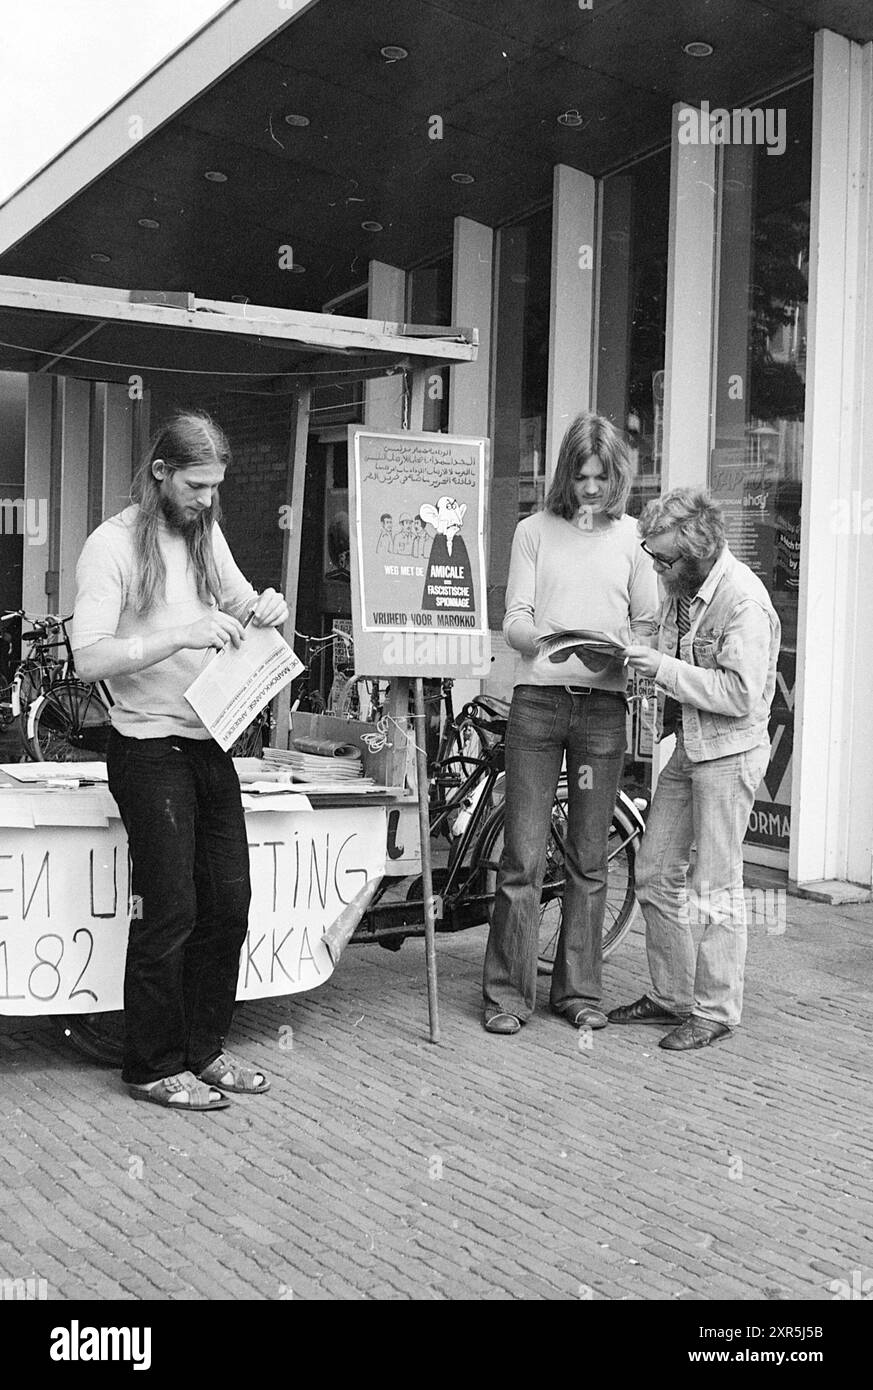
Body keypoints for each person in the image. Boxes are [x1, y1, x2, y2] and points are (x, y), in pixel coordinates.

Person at [71, 411, 289, 1110]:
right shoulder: (110, 545)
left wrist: (266, 608)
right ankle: (150, 1064)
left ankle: (204, 1051)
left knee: (228, 904)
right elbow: (88, 657)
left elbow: (238, 603)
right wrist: (179, 635)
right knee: (170, 910)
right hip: (145, 747)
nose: (206, 499)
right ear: (161, 472)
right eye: (197, 485)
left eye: (214, 487)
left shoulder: (204, 532)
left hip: (208, 740)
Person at [482, 411, 658, 1035]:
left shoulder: (635, 538)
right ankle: (507, 995)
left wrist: (622, 648)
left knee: (588, 856)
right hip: (539, 704)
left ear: (618, 477)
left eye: (602, 477)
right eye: (580, 476)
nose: (590, 489)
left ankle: (578, 992)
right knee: (522, 854)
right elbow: (514, 620)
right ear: (565, 474)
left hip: (603, 712)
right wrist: (548, 640)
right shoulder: (533, 530)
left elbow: (646, 625)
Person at [611, 487, 780, 1050]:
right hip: (690, 744)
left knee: (716, 885)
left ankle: (716, 1010)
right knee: (654, 870)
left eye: (664, 558)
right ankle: (672, 996)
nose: (657, 568)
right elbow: (669, 645)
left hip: (728, 752)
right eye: (653, 556)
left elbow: (737, 694)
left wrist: (660, 667)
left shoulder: (744, 602)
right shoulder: (681, 586)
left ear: (699, 546)